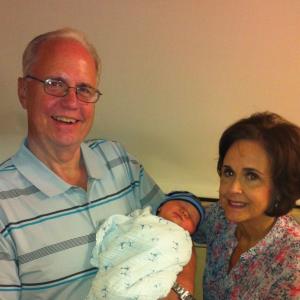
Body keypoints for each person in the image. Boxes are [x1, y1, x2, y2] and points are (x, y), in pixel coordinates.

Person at [0, 28, 195, 300]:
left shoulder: (119, 160)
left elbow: (176, 227)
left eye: (84, 89)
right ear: (23, 91)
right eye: (54, 84)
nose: (71, 102)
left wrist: (180, 291)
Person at [194, 112, 300, 299]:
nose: (233, 188)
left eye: (251, 176)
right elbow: (176, 219)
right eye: (228, 172)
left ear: (280, 187)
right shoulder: (220, 217)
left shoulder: (292, 262)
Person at [86, 191, 205, 300]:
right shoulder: (141, 219)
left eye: (192, 216)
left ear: (191, 232)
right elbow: (117, 231)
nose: (185, 212)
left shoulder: (182, 239)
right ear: (160, 207)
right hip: (115, 275)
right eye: (180, 204)